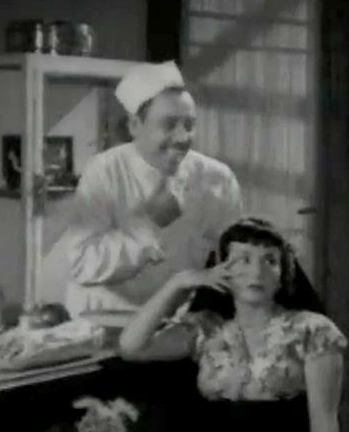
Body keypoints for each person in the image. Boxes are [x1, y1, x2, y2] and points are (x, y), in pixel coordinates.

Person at [119, 217, 348, 432]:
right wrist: (180, 281)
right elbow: (131, 347)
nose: (257, 272)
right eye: (243, 260)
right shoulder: (205, 328)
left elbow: (324, 426)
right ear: (221, 271)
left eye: (270, 261)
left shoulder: (313, 331)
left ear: (283, 275)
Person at [65, 61, 242, 317]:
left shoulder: (218, 178)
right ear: (135, 125)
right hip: (109, 318)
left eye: (189, 124)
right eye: (169, 125)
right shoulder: (104, 172)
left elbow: (231, 262)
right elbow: (82, 264)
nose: (183, 137)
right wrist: (148, 224)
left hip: (181, 321)